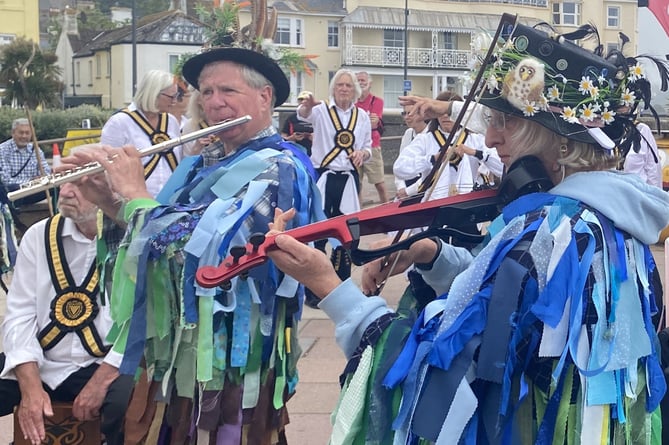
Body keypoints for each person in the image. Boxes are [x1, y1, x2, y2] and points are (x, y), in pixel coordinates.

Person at [263, 22, 669, 443]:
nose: (490, 138)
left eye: (505, 122)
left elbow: (432, 381)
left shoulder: (547, 238)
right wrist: (430, 252)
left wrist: (331, 289)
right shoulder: (600, 221)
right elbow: (500, 295)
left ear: (561, 142)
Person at [65, 43, 323, 444]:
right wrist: (106, 199)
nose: (213, 103)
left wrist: (134, 192)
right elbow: (160, 237)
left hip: (232, 364)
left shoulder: (280, 167)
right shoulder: (206, 162)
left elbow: (205, 256)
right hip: (183, 361)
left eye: (227, 91)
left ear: (265, 96)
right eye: (205, 92)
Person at [0, 180, 134, 445]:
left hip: (104, 364)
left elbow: (143, 321)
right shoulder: (39, 235)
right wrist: (30, 386)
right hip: (41, 362)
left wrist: (101, 381)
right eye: (64, 181)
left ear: (111, 193)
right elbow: (20, 314)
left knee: (130, 407)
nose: (66, 191)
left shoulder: (135, 239)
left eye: (82, 184)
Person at [393, 91, 497, 201]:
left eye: (449, 112)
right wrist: (433, 159)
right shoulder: (425, 140)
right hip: (434, 205)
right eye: (441, 112)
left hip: (467, 203)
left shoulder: (475, 140)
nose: (445, 116)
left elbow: (501, 168)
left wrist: (476, 153)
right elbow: (400, 169)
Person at [100, 69, 183, 197]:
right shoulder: (120, 122)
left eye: (177, 96)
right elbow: (107, 167)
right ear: (154, 93)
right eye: (171, 97)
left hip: (170, 200)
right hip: (133, 200)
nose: (175, 101)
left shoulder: (171, 121)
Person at [0, 118, 52, 208]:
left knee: (55, 187)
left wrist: (41, 178)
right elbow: (5, 180)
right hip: (12, 194)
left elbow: (46, 173)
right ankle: (15, 217)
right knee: (11, 188)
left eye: (27, 133)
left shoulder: (36, 150)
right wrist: (30, 182)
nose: (24, 136)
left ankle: (58, 216)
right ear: (13, 133)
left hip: (31, 191)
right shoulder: (3, 150)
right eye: (21, 132)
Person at [356, 71, 388, 203]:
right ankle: (357, 214)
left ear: (370, 83)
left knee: (379, 183)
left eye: (363, 80)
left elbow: (374, 121)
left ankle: (387, 211)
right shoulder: (351, 102)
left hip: (372, 145)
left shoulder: (377, 101)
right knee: (356, 185)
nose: (361, 83)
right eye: (358, 80)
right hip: (355, 147)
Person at [395, 104, 429, 198]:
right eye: (404, 113)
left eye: (410, 113)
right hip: (405, 188)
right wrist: (401, 187)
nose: (406, 117)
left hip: (423, 190)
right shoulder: (408, 134)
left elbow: (431, 173)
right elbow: (400, 163)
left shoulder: (431, 135)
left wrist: (408, 191)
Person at [623, 121, 663, 188]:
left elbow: (652, 166)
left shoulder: (640, 129)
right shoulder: (602, 130)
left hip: (639, 191)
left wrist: (654, 194)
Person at [280, 90, 313, 155]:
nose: (303, 102)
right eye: (301, 100)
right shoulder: (291, 118)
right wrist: (291, 138)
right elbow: (283, 138)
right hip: (296, 150)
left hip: (314, 151)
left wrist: (315, 138)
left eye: (306, 100)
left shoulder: (318, 117)